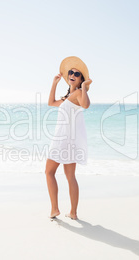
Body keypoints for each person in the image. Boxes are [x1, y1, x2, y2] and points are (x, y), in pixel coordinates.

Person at [45, 56, 92, 220]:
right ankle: (72, 212)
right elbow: (51, 102)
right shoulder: (68, 97)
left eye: (77, 74)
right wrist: (55, 83)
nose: (72, 74)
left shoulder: (79, 93)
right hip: (69, 141)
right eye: (70, 72)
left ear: (81, 79)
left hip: (62, 139)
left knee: (49, 172)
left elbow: (86, 105)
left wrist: (84, 88)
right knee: (70, 176)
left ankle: (54, 209)